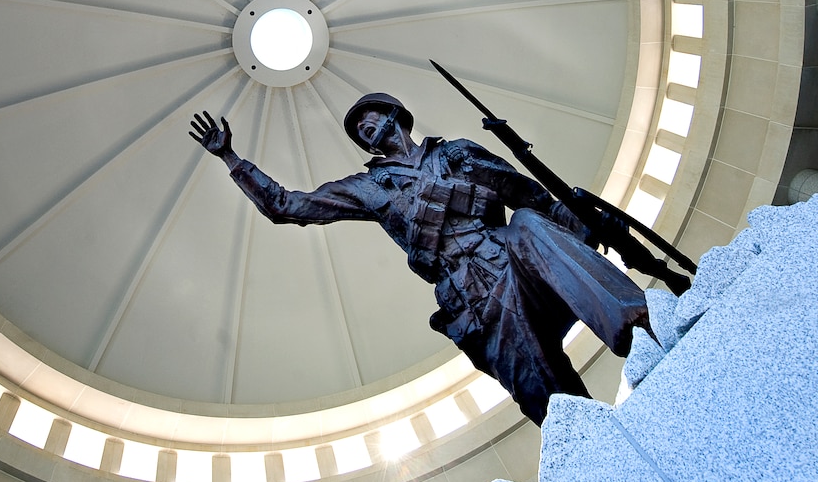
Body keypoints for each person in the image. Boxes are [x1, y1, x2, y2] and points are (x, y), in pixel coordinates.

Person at [189, 93, 651, 425]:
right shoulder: (368, 188)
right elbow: (288, 207)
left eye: (367, 119)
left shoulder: (458, 154)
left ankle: (641, 325)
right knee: (557, 409)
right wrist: (231, 157)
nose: (362, 130)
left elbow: (528, 194)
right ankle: (587, 444)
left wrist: (585, 226)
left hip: (512, 255)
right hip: (474, 299)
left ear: (394, 115)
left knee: (529, 223)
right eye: (358, 132)